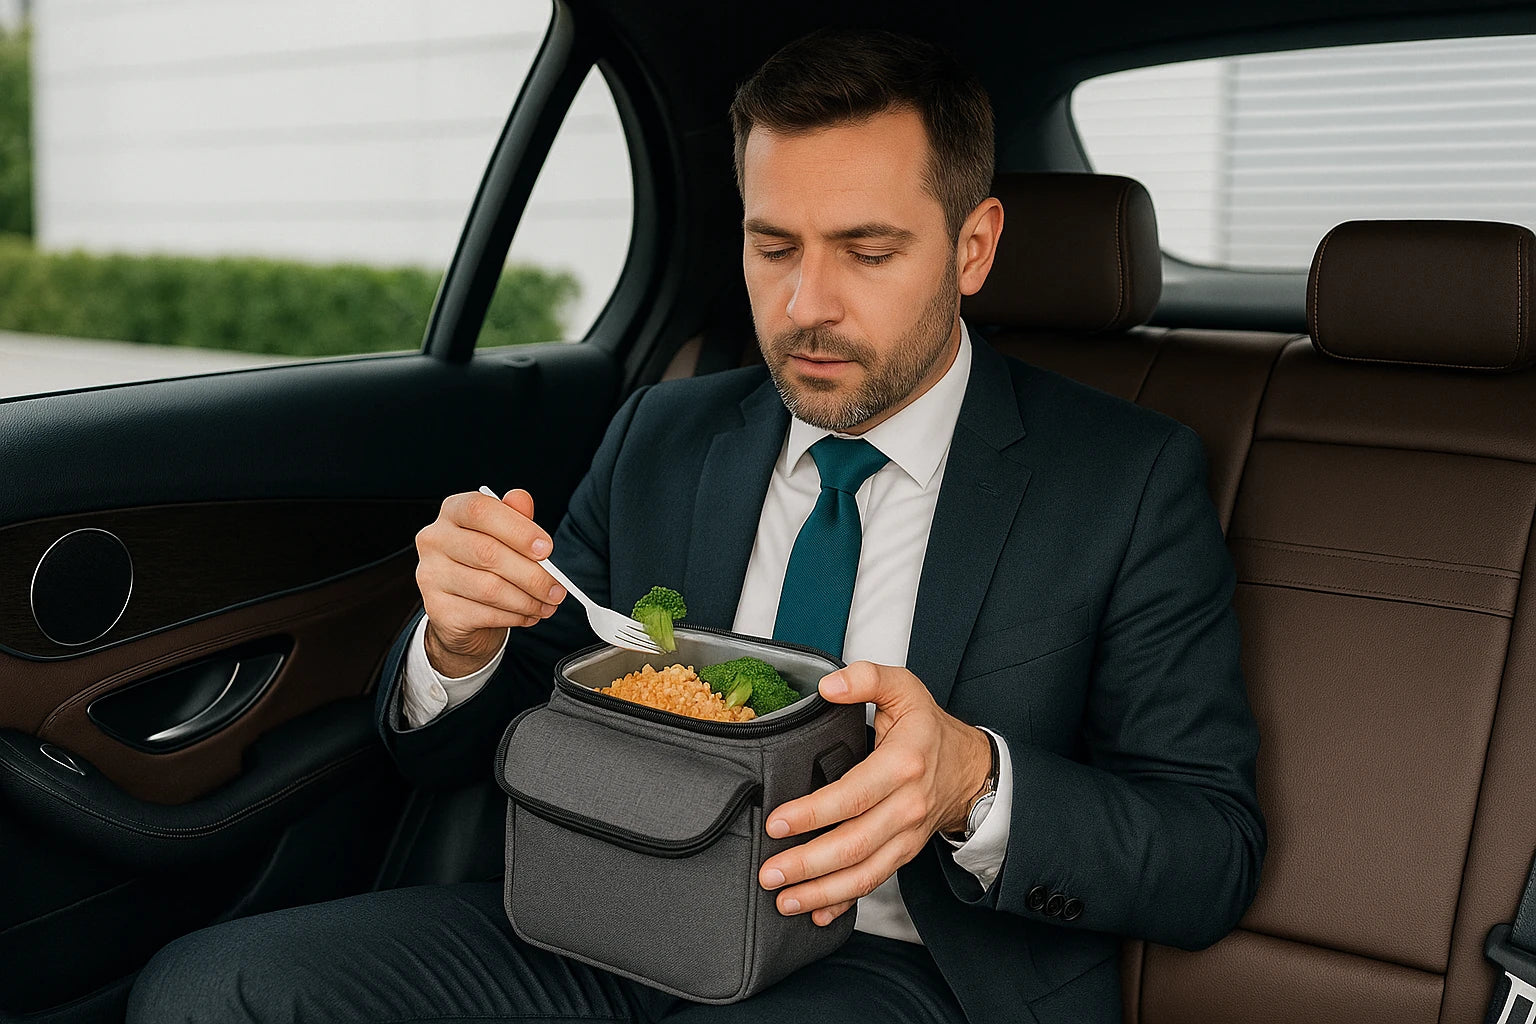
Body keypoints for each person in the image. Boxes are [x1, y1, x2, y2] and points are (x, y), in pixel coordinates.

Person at [128, 27, 1264, 1024]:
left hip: (905, 970)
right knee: (208, 989)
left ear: (972, 248)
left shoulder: (1122, 478)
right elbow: (494, 733)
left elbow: (1208, 851)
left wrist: (969, 779)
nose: (806, 304)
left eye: (868, 253)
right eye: (774, 247)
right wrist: (458, 653)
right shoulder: (662, 434)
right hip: (606, 918)